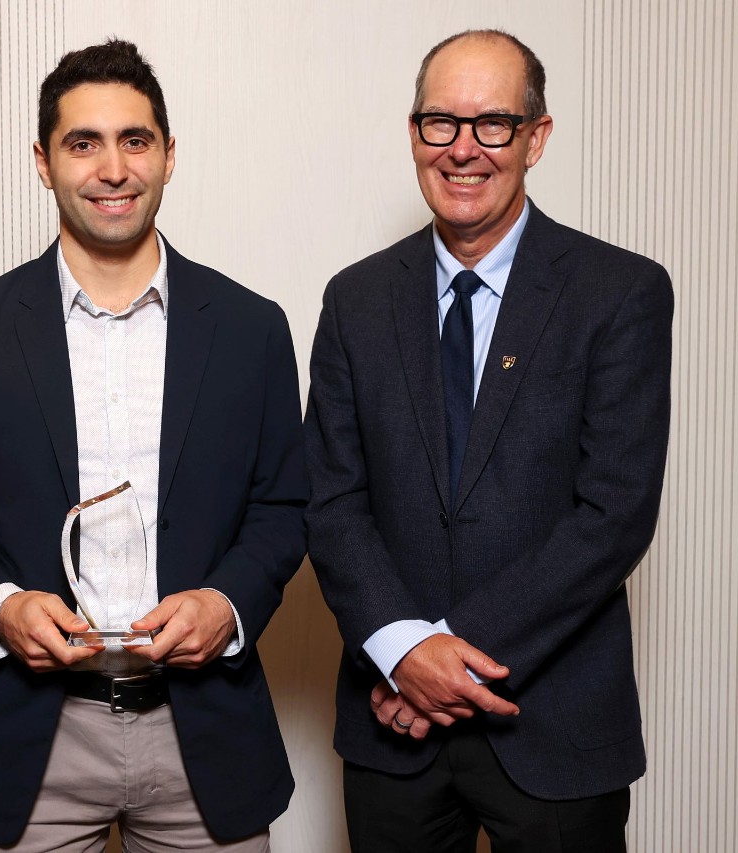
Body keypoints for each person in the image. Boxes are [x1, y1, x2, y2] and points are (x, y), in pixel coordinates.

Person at [0, 39, 307, 852]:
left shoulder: (252, 330)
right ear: (44, 162)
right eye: (82, 143)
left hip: (205, 736)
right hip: (28, 739)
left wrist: (225, 603)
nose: (112, 168)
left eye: (135, 140)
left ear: (168, 155)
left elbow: (285, 507)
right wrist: (0, 607)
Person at [303, 29, 673, 851]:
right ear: (413, 133)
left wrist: (442, 664)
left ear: (536, 137)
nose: (464, 148)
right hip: (391, 735)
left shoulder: (620, 293)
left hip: (556, 727)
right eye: (441, 122)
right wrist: (403, 651)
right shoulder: (355, 300)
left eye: (494, 123)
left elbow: (613, 513)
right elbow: (330, 504)